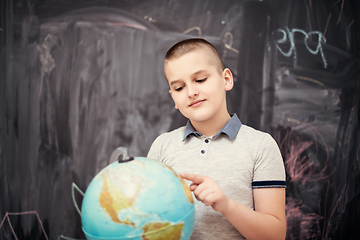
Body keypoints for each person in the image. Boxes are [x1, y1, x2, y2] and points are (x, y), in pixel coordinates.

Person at [147, 38, 286, 239]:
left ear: (226, 79)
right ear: (173, 98)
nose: (192, 92)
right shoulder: (162, 146)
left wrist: (226, 205)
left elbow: (275, 235)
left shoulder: (261, 146)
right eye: (179, 88)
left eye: (200, 80)